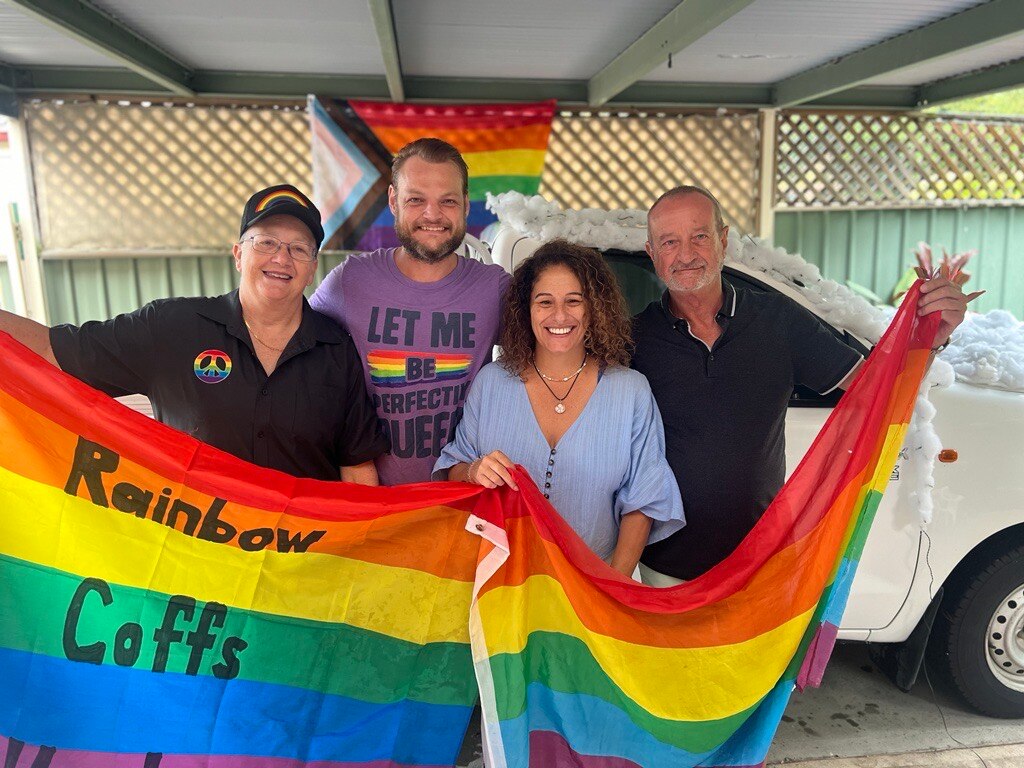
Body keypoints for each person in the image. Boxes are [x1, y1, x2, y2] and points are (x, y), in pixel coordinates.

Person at [633, 185, 975, 585]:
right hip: (664, 570)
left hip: (761, 566)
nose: (686, 254)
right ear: (652, 253)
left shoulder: (778, 320)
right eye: (669, 242)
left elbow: (877, 389)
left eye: (699, 236)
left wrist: (931, 338)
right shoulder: (632, 340)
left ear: (723, 241)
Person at [0, 184, 387, 483]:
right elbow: (51, 351)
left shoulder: (337, 349)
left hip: (301, 556)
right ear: (239, 254)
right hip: (197, 555)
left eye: (299, 248)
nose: (281, 258)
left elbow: (356, 469)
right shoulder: (172, 327)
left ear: (313, 267)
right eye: (266, 242)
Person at [433, 240, 684, 577]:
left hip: (593, 581)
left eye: (574, 301)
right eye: (545, 302)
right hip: (501, 581)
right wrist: (474, 470)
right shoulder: (491, 382)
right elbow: (454, 469)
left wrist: (613, 585)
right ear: (526, 309)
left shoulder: (631, 391)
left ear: (594, 308)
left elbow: (644, 499)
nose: (560, 316)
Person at [311, 138, 510, 485]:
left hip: (463, 495)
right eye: (416, 199)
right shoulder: (350, 281)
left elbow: (549, 361)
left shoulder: (494, 288)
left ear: (465, 205)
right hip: (373, 498)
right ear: (393, 200)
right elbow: (294, 348)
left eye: (447, 201)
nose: (432, 215)